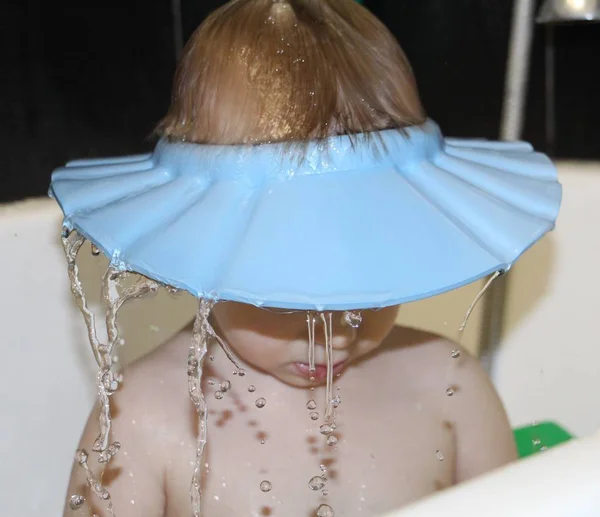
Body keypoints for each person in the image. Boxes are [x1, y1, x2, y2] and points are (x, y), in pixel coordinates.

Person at [63, 1, 517, 516]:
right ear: (205, 243)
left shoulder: (450, 388)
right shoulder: (142, 416)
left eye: (365, 282)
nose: (336, 331)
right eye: (287, 290)